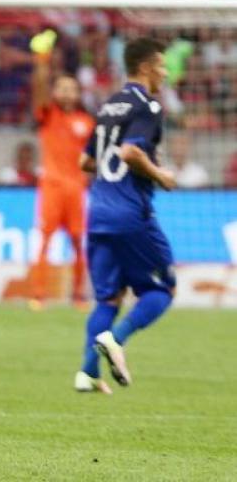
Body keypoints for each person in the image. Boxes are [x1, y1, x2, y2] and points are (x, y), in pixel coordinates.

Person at [75, 38, 178, 395]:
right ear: (146, 68)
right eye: (162, 66)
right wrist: (160, 174)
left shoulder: (109, 106)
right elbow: (131, 152)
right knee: (162, 289)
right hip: (130, 212)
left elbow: (85, 161)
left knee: (109, 298)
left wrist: (116, 172)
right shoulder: (148, 105)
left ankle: (88, 373)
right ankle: (115, 339)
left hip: (98, 211)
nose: (165, 73)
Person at [27, 30, 95, 310]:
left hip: (76, 189)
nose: (67, 92)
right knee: (44, 240)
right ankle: (38, 295)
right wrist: (42, 60)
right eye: (62, 88)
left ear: (78, 93)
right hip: (52, 187)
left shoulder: (87, 122)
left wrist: (89, 174)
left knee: (79, 243)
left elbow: (92, 157)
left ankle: (78, 294)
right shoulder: (48, 115)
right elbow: (39, 87)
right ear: (55, 92)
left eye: (71, 88)